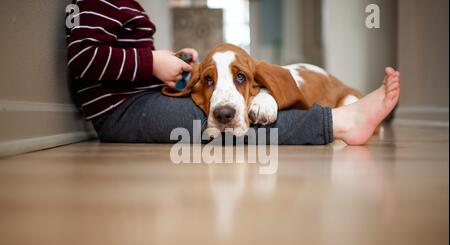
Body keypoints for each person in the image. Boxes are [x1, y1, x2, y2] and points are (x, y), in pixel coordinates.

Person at [66, 0, 400, 145]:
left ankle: (346, 113)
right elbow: (83, 57)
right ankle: (344, 122)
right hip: (120, 115)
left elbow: (122, 57)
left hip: (137, 101)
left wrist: (166, 60)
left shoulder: (125, 5)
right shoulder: (100, 1)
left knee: (239, 119)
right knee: (222, 127)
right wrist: (151, 63)